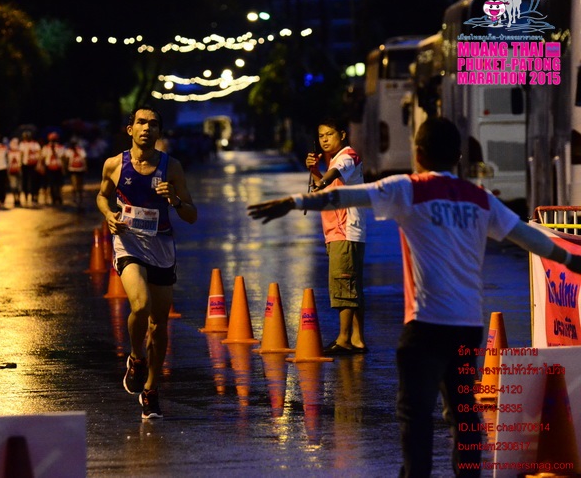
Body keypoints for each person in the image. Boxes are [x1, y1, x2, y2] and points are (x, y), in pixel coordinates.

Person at [247, 117, 581, 477]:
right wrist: (573, 261)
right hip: (467, 328)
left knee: (415, 415)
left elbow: (346, 196)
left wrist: (294, 202)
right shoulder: (479, 199)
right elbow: (530, 238)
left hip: (424, 328)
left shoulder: (408, 188)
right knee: (464, 413)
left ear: (418, 154)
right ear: (457, 157)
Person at [97, 106, 197, 420]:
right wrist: (108, 215)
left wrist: (175, 200)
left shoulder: (172, 167)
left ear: (158, 132)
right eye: (141, 122)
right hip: (128, 243)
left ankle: (151, 389)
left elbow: (191, 215)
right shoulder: (114, 164)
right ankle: (136, 357)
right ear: (130, 129)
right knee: (140, 304)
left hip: (161, 246)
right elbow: (102, 196)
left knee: (159, 324)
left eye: (153, 124)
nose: (146, 128)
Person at [305, 118, 367, 355]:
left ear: (342, 134)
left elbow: (331, 176)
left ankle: (343, 339)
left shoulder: (346, 156)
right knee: (353, 286)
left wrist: (322, 179)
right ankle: (357, 339)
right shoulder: (336, 159)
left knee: (343, 285)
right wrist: (314, 172)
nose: (324, 140)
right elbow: (324, 187)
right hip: (340, 231)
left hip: (344, 230)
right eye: (321, 136)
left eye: (329, 134)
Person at [42, 132, 66, 206]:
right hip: (49, 168)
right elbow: (43, 158)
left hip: (58, 167)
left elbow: (63, 158)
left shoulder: (60, 147)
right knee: (52, 184)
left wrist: (63, 168)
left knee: (58, 184)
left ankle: (58, 197)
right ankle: (54, 198)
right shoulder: (46, 147)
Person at [64, 139, 88, 209]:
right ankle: (75, 198)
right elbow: (66, 159)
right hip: (73, 170)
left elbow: (84, 158)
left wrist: (85, 167)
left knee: (80, 185)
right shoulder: (69, 151)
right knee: (74, 184)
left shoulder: (80, 150)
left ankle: (80, 198)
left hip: (80, 169)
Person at [7, 137, 23, 207]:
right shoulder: (19, 152)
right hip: (15, 170)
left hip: (15, 170)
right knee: (16, 185)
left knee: (15, 185)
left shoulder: (9, 152)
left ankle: (16, 199)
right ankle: (16, 199)